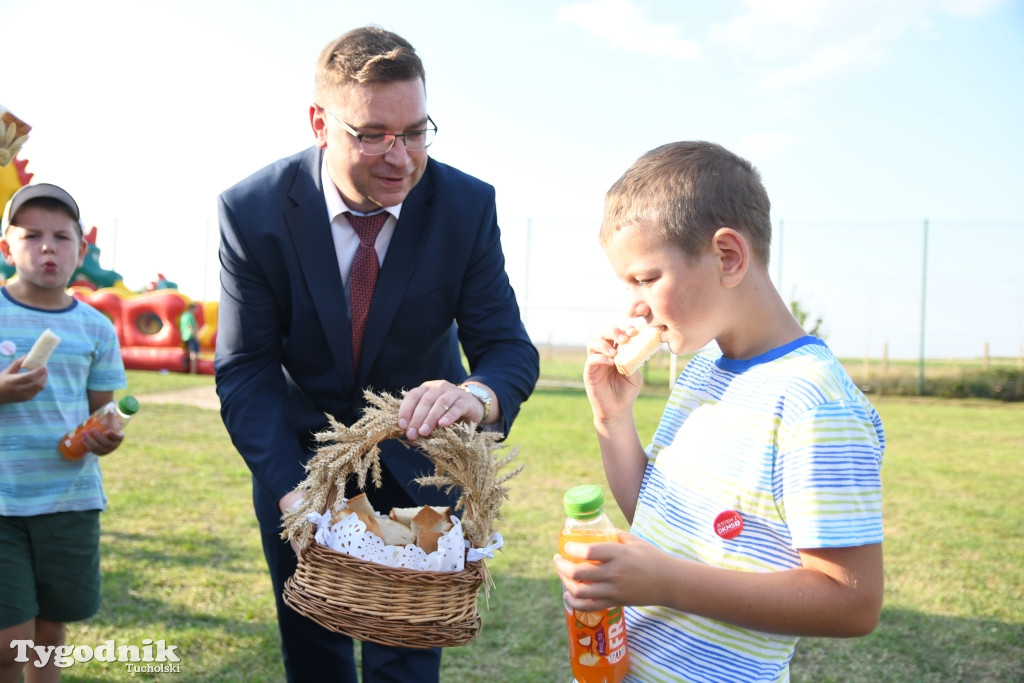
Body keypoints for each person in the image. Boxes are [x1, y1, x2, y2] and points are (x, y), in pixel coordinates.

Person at [215, 26, 539, 682]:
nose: (401, 156)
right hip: (301, 467)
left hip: (423, 466)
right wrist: (294, 496)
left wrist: (473, 397)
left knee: (407, 666)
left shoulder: (465, 207)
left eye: (416, 131)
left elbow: (505, 345)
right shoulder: (252, 212)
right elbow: (245, 369)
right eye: (372, 134)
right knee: (314, 654)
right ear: (319, 122)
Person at [553, 141, 884, 681]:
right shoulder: (704, 370)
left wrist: (664, 582)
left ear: (728, 256)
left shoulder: (814, 403)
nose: (635, 306)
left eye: (645, 278)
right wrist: (613, 420)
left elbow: (852, 603)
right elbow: (661, 522)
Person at [0, 183, 127, 682]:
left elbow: (106, 412)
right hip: (3, 505)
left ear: (82, 250)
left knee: (51, 636)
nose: (47, 247)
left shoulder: (95, 328)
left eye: (61, 236)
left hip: (69, 502)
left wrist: (108, 434)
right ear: (7, 246)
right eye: (32, 235)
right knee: (9, 643)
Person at [178, 303, 199, 374]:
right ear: (191, 308)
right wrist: (196, 337)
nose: (195, 311)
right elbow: (191, 327)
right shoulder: (190, 315)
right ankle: (193, 371)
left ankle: (188, 370)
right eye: (195, 309)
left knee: (189, 353)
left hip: (185, 337)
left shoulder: (183, 316)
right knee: (194, 354)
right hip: (191, 336)